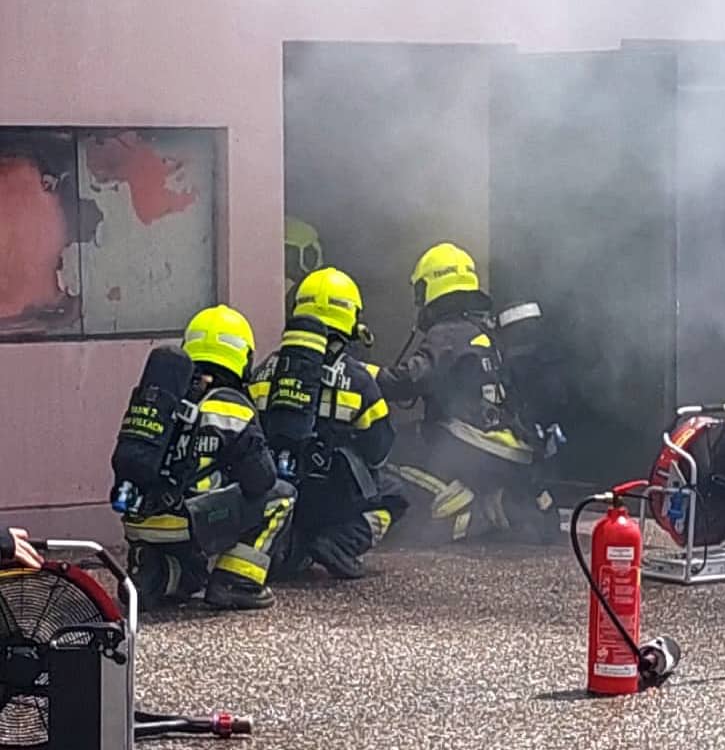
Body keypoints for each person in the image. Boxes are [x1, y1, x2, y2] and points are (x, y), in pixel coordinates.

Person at [373, 242, 561, 546]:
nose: (419, 301)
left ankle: (455, 499)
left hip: (472, 445)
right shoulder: (483, 329)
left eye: (421, 291)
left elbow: (411, 379)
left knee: (391, 450)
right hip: (507, 449)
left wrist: (365, 374)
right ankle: (494, 504)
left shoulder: (448, 332)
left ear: (434, 284)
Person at [115, 305, 296, 611]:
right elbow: (261, 478)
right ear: (243, 357)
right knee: (282, 495)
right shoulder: (230, 406)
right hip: (187, 523)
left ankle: (158, 576)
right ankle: (236, 581)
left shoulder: (162, 395)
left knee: (189, 573)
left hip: (137, 520)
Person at [250, 267, 405, 580]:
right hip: (332, 496)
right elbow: (379, 449)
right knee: (393, 492)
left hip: (277, 493)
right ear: (350, 317)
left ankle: (286, 548)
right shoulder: (359, 379)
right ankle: (338, 545)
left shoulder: (266, 368)